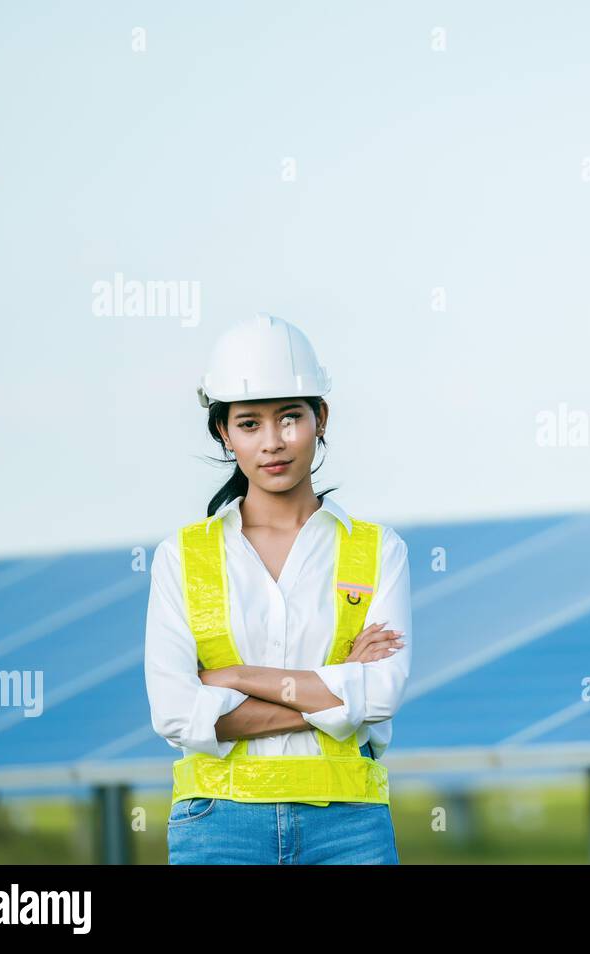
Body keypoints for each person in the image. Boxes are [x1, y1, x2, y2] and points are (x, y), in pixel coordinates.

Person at [144, 313, 411, 864]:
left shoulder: (376, 550)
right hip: (217, 827)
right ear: (223, 431)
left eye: (290, 418)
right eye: (248, 424)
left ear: (321, 418)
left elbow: (382, 695)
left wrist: (237, 679)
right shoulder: (183, 557)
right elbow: (174, 712)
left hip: (348, 829)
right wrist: (339, 693)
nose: (273, 442)